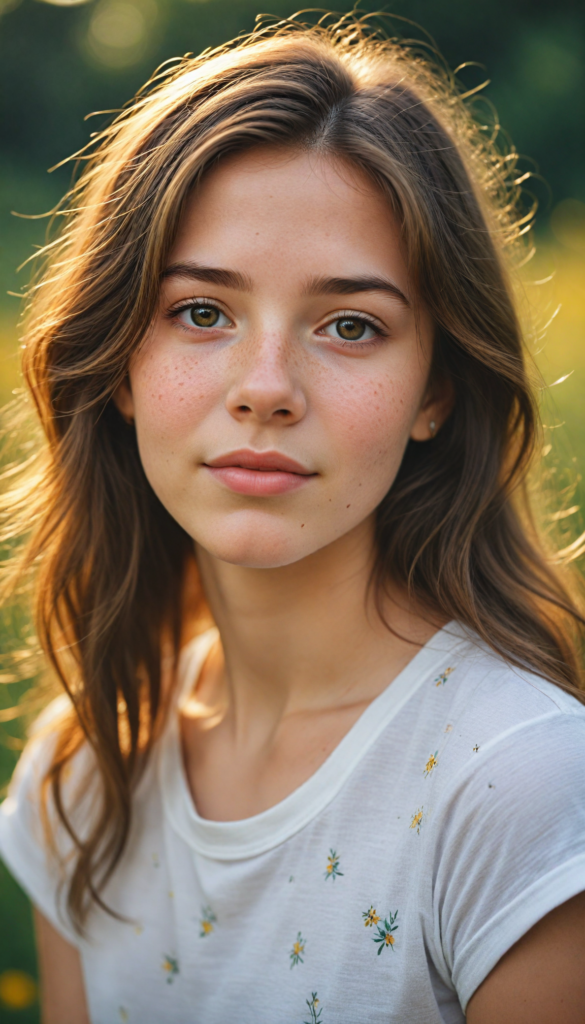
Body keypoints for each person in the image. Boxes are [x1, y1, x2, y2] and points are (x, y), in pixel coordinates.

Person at [0, 14, 584, 1024]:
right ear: (120, 363)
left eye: (350, 325)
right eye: (201, 312)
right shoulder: (84, 774)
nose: (265, 389)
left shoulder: (523, 785)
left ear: (435, 390)